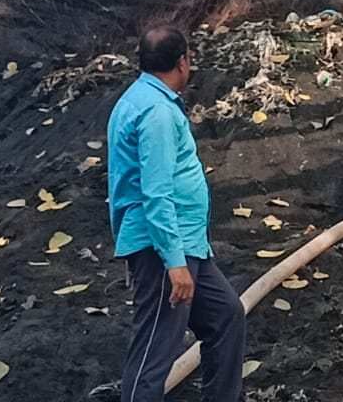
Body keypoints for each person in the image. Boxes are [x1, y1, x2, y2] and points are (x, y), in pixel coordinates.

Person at [108, 26, 246, 402]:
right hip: (165, 248)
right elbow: (155, 192)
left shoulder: (141, 99)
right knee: (154, 351)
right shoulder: (156, 113)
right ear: (183, 61)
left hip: (185, 244)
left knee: (226, 316)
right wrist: (174, 262)